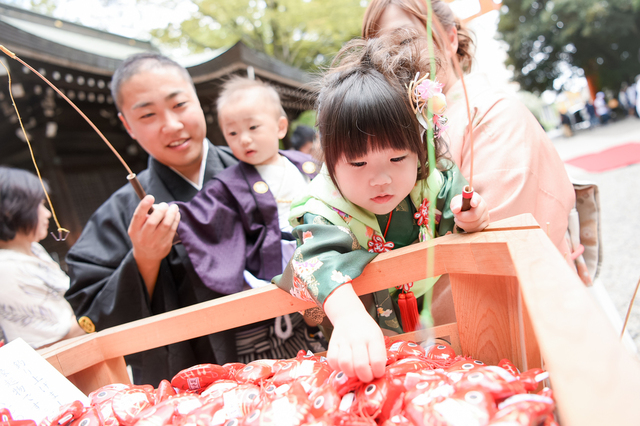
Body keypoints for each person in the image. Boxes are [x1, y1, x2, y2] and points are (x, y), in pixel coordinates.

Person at [274, 32, 490, 383]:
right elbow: (316, 260)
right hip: (359, 332)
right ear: (330, 161)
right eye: (358, 164)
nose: (380, 179)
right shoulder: (324, 207)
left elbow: (456, 207)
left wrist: (470, 215)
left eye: (397, 157)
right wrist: (347, 317)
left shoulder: (431, 180)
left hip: (432, 319)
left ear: (422, 148)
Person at [64, 53, 238, 387]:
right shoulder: (119, 213)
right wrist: (144, 258)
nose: (171, 125)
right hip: (192, 388)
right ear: (127, 125)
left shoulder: (258, 171)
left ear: (198, 101)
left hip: (288, 352)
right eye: (148, 114)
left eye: (179, 105)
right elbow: (93, 317)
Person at [362, 0, 575, 261]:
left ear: (450, 39)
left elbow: (496, 250)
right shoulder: (404, 128)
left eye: (406, 41)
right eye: (379, 49)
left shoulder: (494, 115)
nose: (393, 59)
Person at [175, 76, 326, 361]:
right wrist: (172, 214)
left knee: (320, 309)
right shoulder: (228, 183)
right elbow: (200, 215)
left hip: (317, 249)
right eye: (232, 134)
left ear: (280, 126)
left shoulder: (305, 163)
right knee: (289, 317)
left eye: (253, 127)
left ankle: (322, 334)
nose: (244, 139)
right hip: (273, 264)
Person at [0, 166, 86, 349]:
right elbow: (54, 341)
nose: (47, 213)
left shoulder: (34, 249)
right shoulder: (5, 269)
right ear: (10, 210)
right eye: (39, 205)